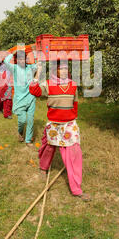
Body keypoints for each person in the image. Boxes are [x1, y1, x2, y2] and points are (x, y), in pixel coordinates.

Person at [29, 60, 91, 201]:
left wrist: (71, 118)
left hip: (69, 124)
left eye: (65, 69)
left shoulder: (73, 85)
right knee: (49, 148)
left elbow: (75, 104)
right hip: (54, 124)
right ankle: (43, 168)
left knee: (74, 152)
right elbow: (34, 91)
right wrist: (38, 72)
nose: (63, 71)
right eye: (60, 69)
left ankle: (76, 189)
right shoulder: (49, 84)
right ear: (55, 71)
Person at [3, 49, 37, 147]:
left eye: (23, 58)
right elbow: (5, 61)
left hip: (31, 97)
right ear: (16, 60)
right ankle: (20, 132)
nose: (22, 60)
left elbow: (39, 64)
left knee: (30, 119)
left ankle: (28, 140)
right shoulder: (14, 68)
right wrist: (13, 53)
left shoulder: (30, 67)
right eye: (19, 59)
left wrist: (34, 53)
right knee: (22, 120)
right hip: (19, 100)